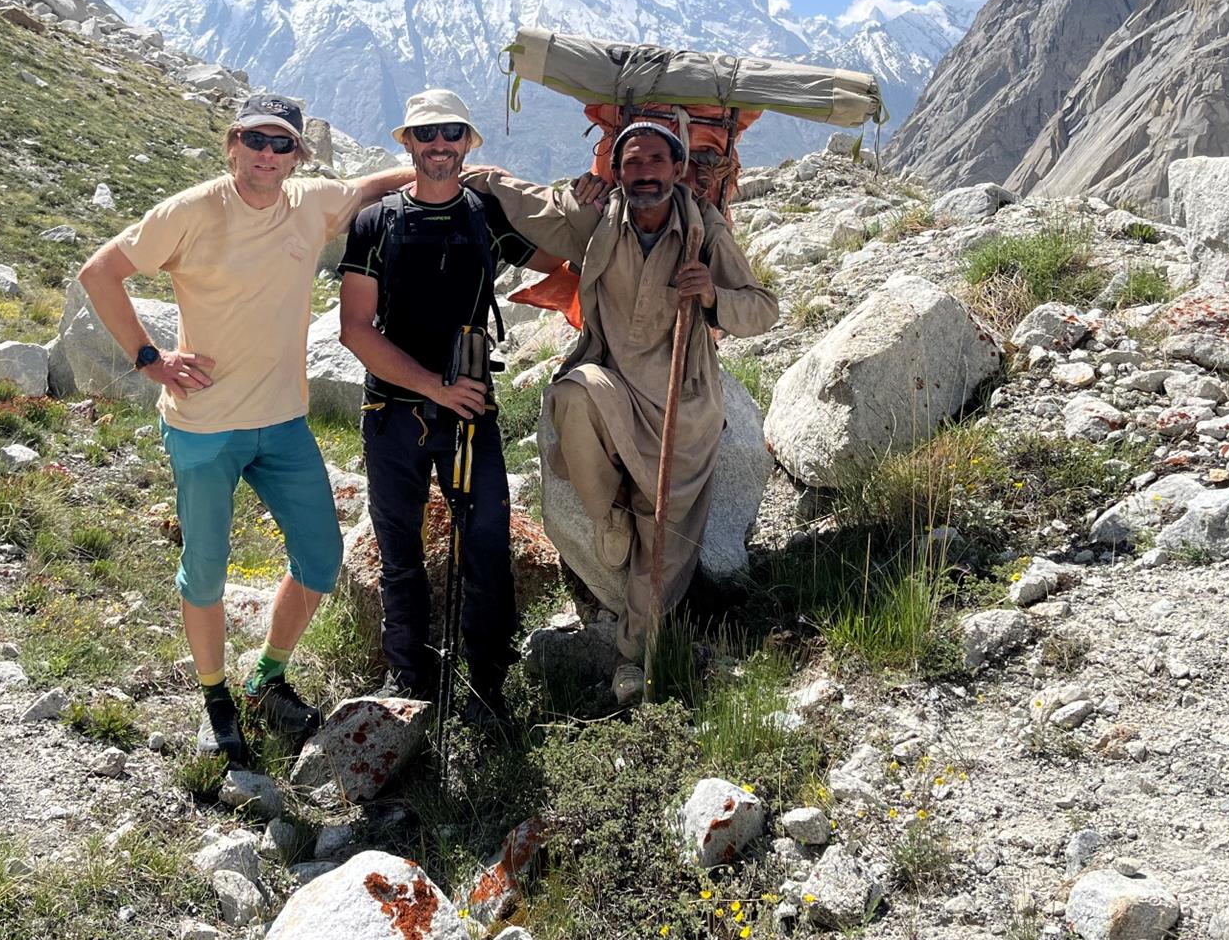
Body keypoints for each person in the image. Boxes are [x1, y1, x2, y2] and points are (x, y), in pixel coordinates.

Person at [78, 92, 413, 763]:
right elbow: (100, 272)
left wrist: (452, 164)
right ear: (232, 145)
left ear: (297, 155)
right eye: (255, 140)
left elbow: (373, 185)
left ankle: (266, 679)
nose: (266, 153)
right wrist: (151, 359)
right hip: (204, 425)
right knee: (205, 571)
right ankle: (215, 699)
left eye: (281, 143)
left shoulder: (310, 203)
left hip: (282, 423)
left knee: (320, 559)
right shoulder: (192, 210)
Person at [468, 121, 778, 705]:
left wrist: (712, 294)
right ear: (617, 172)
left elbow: (762, 309)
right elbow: (534, 206)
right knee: (570, 395)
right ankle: (607, 517)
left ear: (678, 169)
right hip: (613, 382)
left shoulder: (703, 230)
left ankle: (634, 657)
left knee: (663, 540)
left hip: (682, 403)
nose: (644, 173)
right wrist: (480, 178)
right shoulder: (601, 218)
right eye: (631, 162)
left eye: (656, 160)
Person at [337, 89, 560, 728]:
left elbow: (560, 258)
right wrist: (436, 386)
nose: (440, 144)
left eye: (451, 133)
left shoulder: (487, 215)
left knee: (486, 544)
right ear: (408, 142)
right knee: (398, 547)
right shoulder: (375, 222)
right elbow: (355, 330)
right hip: (397, 411)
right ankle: (409, 681)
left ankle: (486, 686)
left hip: (468, 410)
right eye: (427, 133)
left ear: (467, 142)